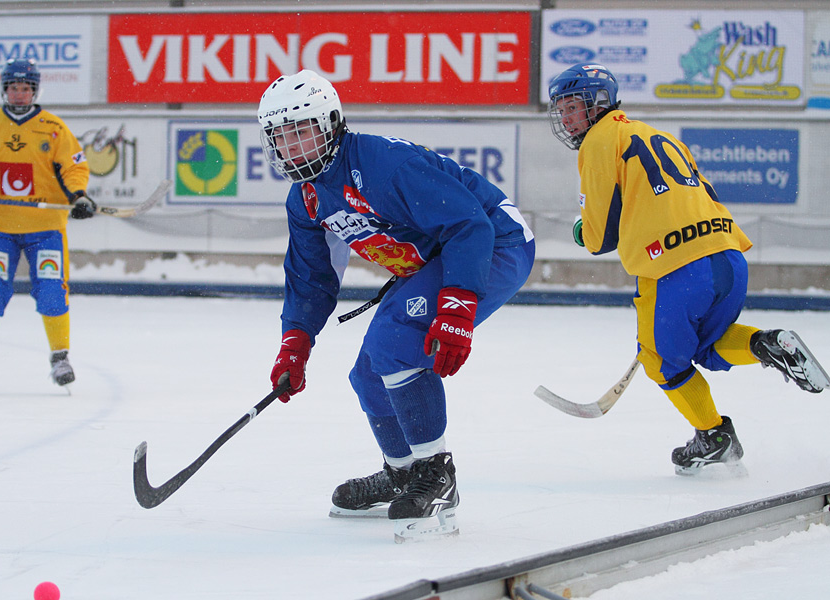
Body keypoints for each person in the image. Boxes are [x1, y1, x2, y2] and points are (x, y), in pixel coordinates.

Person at [257, 70, 535, 541]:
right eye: (281, 136)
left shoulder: (383, 163)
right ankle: (404, 473)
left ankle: (436, 475)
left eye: (302, 130)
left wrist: (456, 307)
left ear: (330, 124)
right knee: (368, 374)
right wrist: (295, 343)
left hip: (494, 244)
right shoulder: (303, 199)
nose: (292, 147)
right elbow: (311, 277)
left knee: (394, 342)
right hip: (443, 255)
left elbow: (470, 224)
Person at [546, 63, 830, 475]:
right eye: (561, 110)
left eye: (572, 106)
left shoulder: (600, 140)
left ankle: (714, 436)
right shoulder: (657, 134)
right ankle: (770, 344)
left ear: (598, 103)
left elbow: (597, 238)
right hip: (728, 256)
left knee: (663, 361)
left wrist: (578, 229)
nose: (567, 118)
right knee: (707, 344)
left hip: (674, 266)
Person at [0, 58, 96, 390]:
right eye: (14, 88)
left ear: (35, 90)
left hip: (45, 228)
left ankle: (60, 358)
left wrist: (78, 196)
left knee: (51, 290)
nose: (20, 94)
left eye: (26, 88)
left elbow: (73, 167)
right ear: (5, 90)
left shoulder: (54, 127)